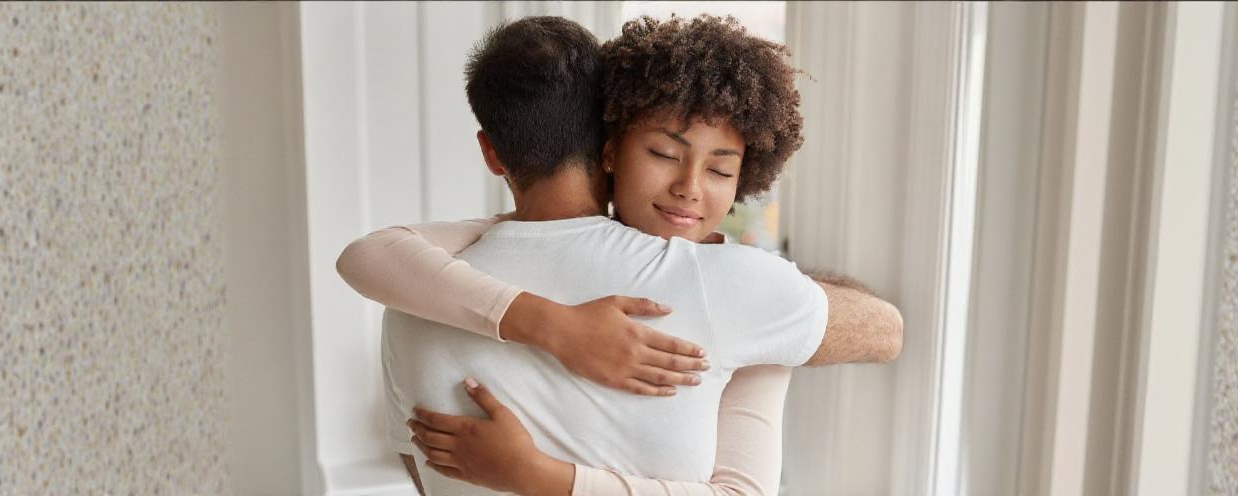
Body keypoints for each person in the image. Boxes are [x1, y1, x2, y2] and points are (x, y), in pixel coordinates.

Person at [336, 15, 902, 496]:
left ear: (491, 151)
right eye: (662, 152)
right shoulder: (728, 287)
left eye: (721, 170)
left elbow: (421, 469)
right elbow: (885, 330)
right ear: (611, 142)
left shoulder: (412, 299)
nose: (689, 188)